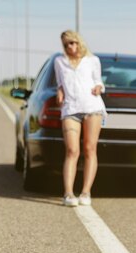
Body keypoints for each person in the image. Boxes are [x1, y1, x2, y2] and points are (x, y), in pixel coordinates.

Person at [54, 30, 106, 207]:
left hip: (92, 108)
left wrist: (99, 88)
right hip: (70, 109)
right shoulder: (59, 62)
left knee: (90, 149)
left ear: (79, 42)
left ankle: (86, 192)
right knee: (72, 150)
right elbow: (60, 84)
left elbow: (99, 81)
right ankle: (68, 193)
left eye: (72, 42)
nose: (70, 47)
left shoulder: (93, 60)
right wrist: (60, 91)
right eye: (66, 44)